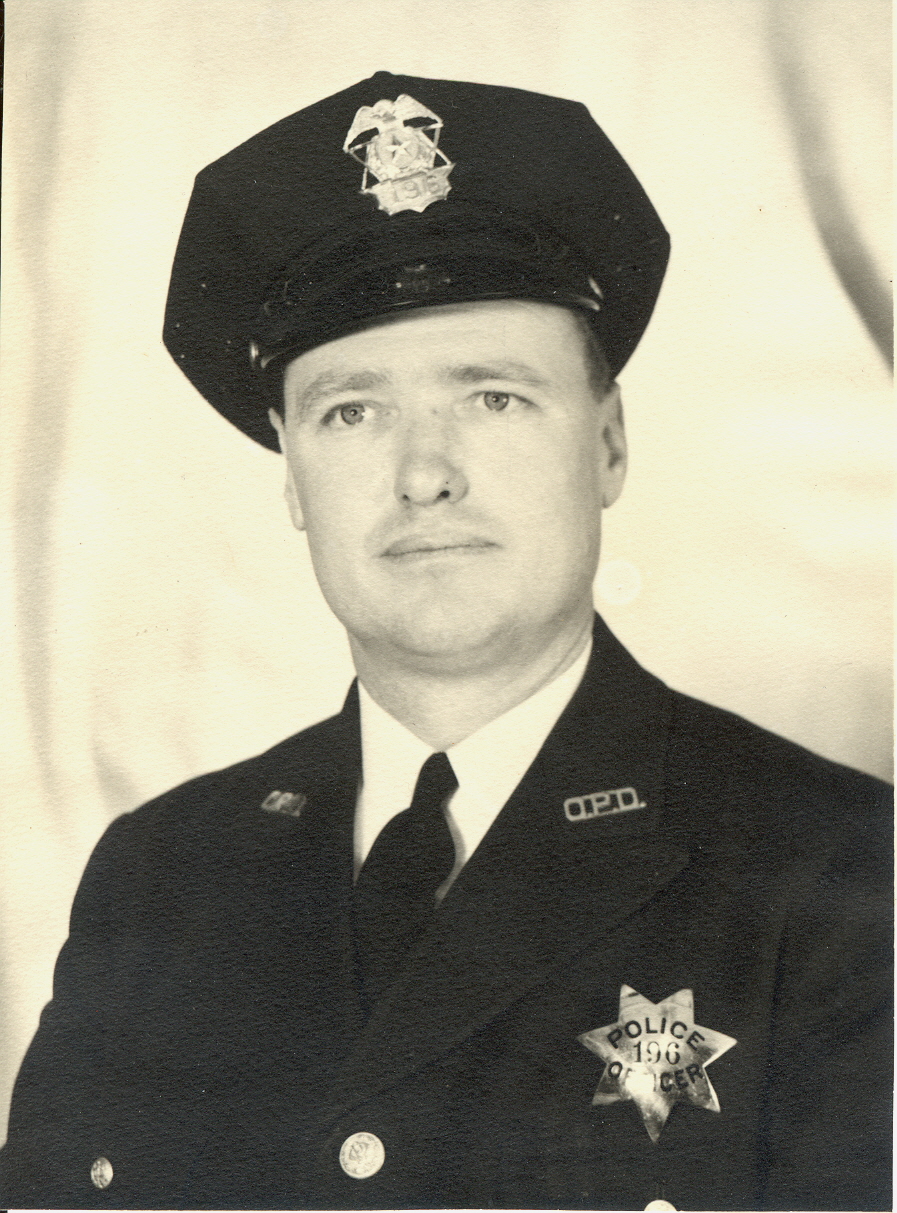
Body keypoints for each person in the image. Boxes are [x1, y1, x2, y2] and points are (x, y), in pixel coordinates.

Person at [0, 70, 890, 1213]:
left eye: (493, 398)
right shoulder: (157, 877)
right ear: (293, 475)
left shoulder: (842, 872)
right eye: (352, 411)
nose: (424, 475)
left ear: (610, 444)